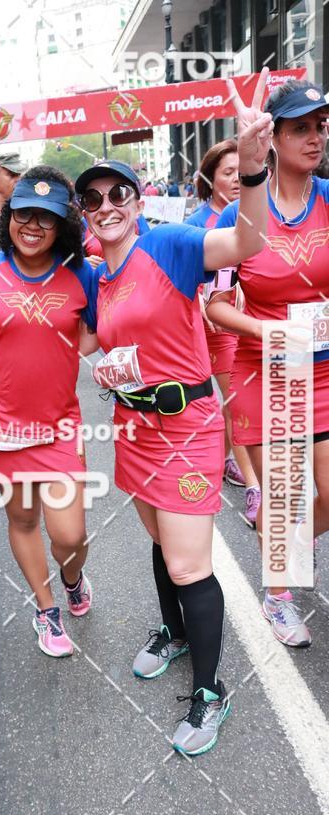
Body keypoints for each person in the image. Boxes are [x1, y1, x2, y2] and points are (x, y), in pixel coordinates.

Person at [77, 69, 273, 755]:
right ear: (84, 212)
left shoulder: (170, 244)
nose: (106, 205)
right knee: (162, 544)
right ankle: (177, 634)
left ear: (136, 199)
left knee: (190, 564)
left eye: (117, 193)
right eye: (93, 198)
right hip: (132, 427)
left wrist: (252, 166)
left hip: (187, 426)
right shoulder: (96, 276)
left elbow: (246, 243)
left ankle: (211, 693)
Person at [206, 77, 329, 648]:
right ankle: (279, 592)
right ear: (272, 138)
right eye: (301, 127)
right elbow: (216, 306)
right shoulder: (240, 214)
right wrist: (274, 332)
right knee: (287, 496)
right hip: (271, 372)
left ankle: (280, 540)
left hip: (325, 370)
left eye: (320, 126)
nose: (315, 137)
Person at [0, 166, 96, 657]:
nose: (33, 225)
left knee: (71, 535)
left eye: (47, 217)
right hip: (2, 426)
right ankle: (46, 609)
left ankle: (71, 576)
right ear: (9, 215)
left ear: (62, 223)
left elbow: (99, 329)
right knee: (22, 519)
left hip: (60, 427)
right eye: (24, 213)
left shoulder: (82, 273)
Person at [185, 140, 261, 527]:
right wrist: (199, 296)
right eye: (226, 173)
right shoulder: (197, 222)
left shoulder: (255, 211)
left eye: (239, 171)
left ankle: (253, 484)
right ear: (209, 179)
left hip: (243, 325)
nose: (234, 179)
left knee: (238, 403)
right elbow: (184, 271)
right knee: (214, 405)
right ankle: (238, 468)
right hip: (203, 327)